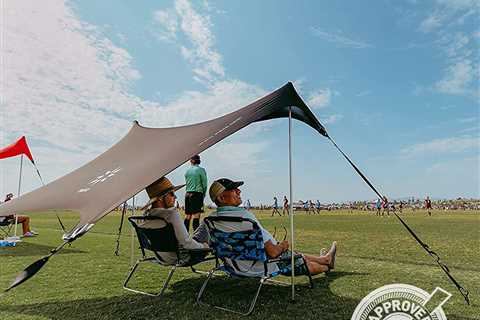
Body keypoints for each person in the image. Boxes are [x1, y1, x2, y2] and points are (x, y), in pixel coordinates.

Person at [194, 178, 337, 277]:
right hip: (261, 265)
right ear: (221, 198)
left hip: (235, 266)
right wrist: (283, 245)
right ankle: (326, 263)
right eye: (233, 189)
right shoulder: (246, 218)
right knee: (296, 260)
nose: (239, 191)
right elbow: (273, 252)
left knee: (294, 256)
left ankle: (325, 259)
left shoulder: (209, 221)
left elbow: (196, 241)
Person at [141, 177, 208, 265]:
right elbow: (186, 243)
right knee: (207, 223)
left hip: (161, 257)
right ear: (160, 198)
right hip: (183, 257)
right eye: (171, 194)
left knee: (199, 232)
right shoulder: (171, 214)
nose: (175, 197)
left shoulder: (146, 216)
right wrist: (204, 247)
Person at [184, 154, 208, 232]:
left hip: (187, 193)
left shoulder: (187, 171)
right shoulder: (201, 170)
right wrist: (203, 194)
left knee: (188, 215)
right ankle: (196, 235)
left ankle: (185, 234)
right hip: (197, 193)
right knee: (196, 215)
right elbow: (204, 183)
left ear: (191, 161)